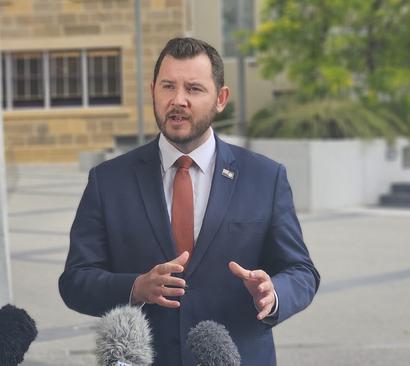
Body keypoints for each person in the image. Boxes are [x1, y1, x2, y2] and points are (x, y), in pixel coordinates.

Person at [59, 37, 320, 365]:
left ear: (221, 98)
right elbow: (75, 281)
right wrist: (136, 288)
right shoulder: (108, 181)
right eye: (168, 86)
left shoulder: (265, 178)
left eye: (194, 89)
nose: (177, 100)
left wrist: (274, 293)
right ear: (153, 90)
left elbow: (302, 271)